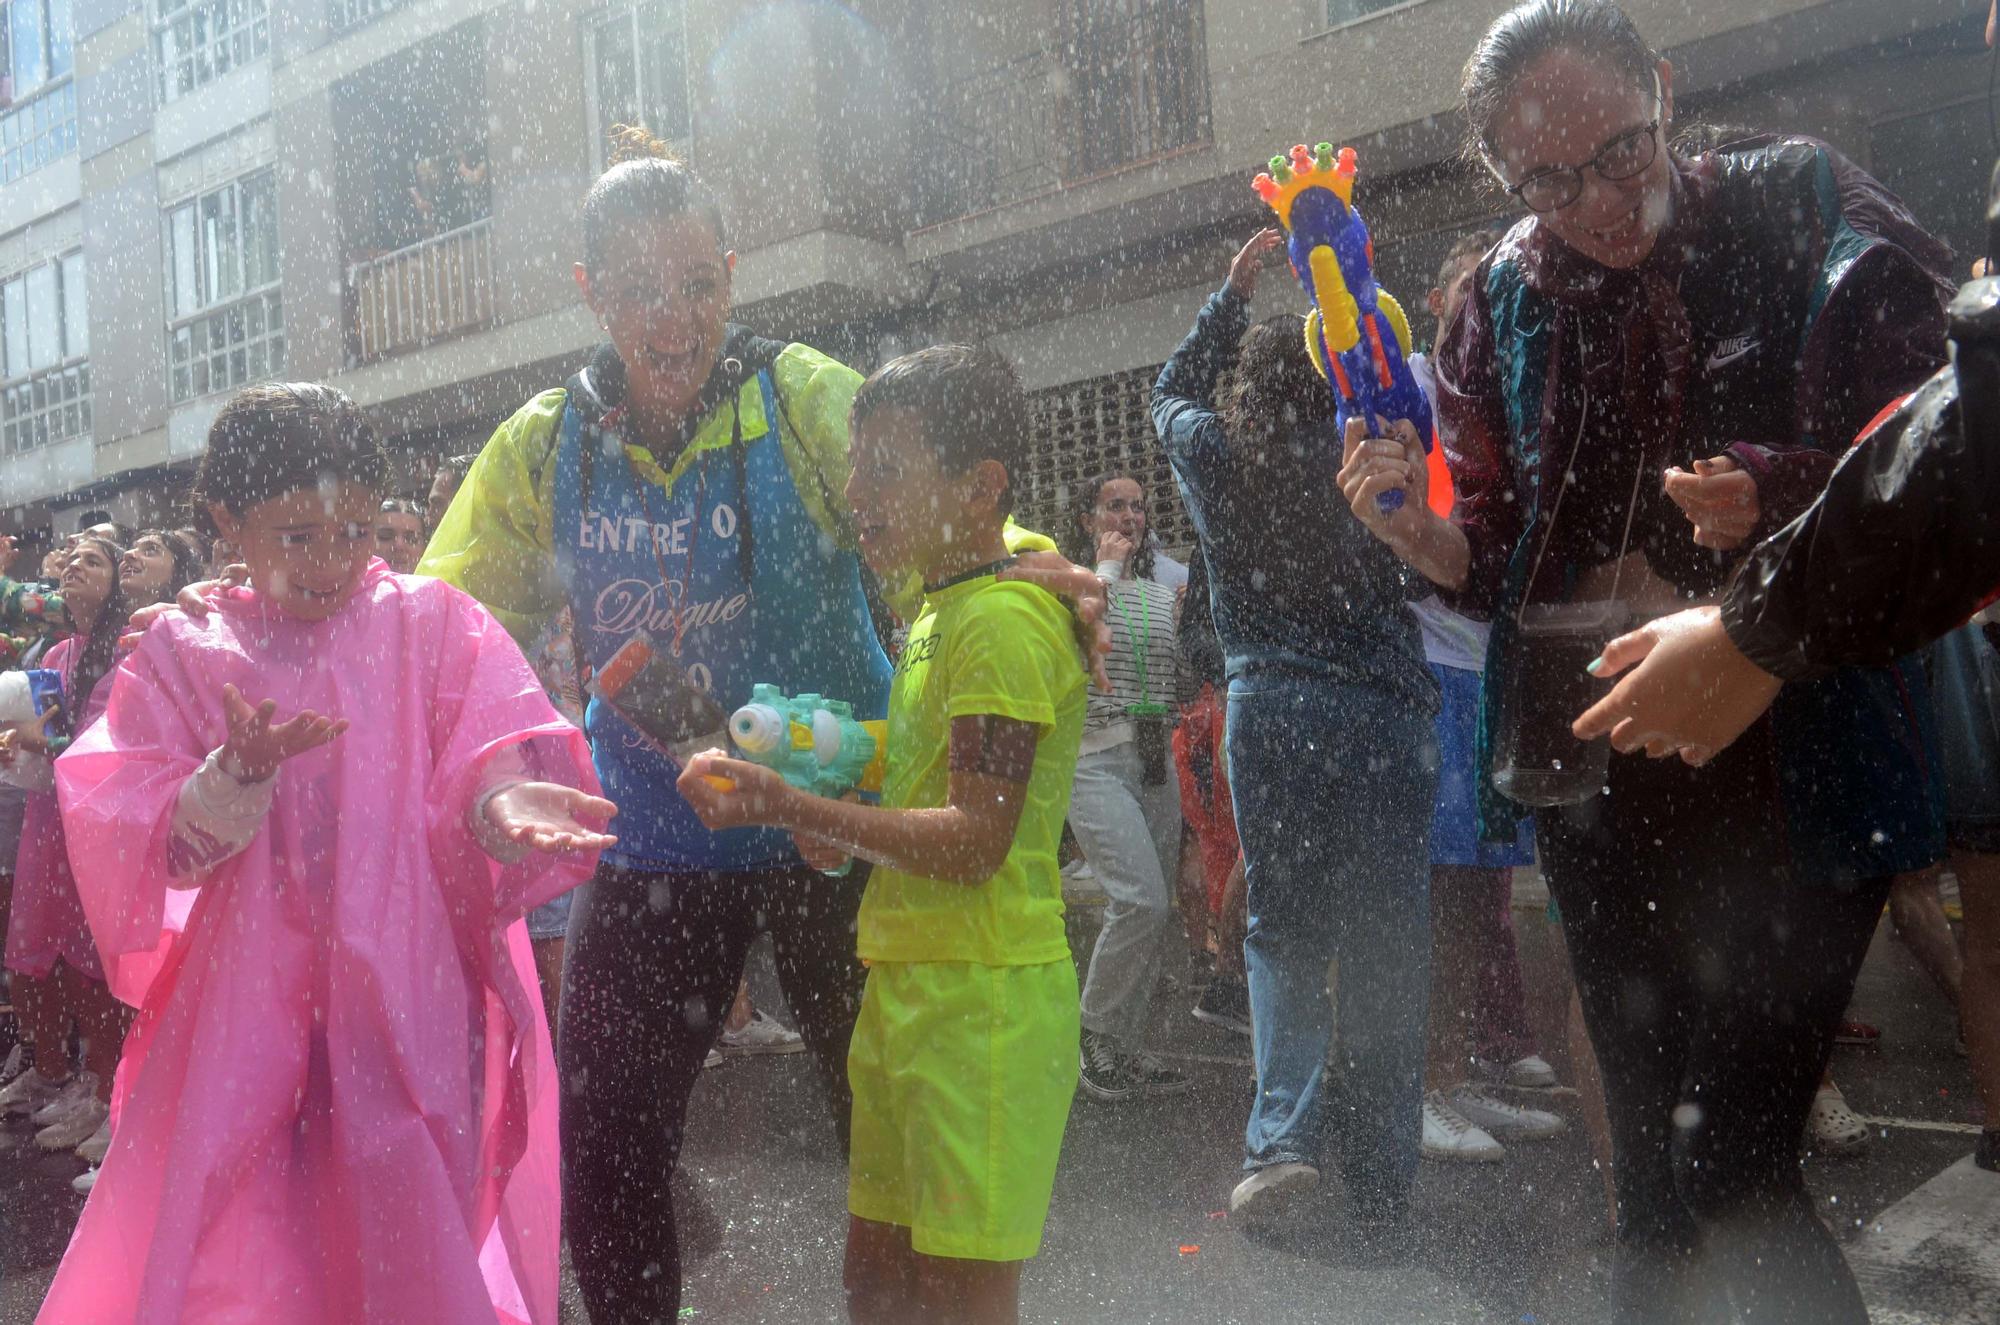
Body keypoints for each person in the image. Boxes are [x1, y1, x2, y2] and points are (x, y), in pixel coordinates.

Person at [417, 127, 1103, 1322]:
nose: (670, 317)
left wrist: (1038, 563)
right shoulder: (546, 443)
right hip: (656, 837)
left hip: (831, 834)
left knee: (880, 1140)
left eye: (695, 285)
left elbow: (951, 506)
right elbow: (439, 620)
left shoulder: (800, 397)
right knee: (609, 1135)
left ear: (733, 276)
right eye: (635, 290)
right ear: (590, 296)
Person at [1339, 2, 1952, 1317]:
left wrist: (1783, 488)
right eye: (1544, 180)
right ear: (1502, 176)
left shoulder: (1797, 198)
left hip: (1787, 742)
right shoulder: (1505, 289)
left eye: (1619, 153)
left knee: (1737, 1163)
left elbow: (1945, 436)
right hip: (1600, 757)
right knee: (1657, 1182)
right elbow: (1495, 548)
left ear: (1664, 93)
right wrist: (1420, 532)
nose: (1595, 205)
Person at [36, 382, 615, 1325]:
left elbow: (477, 757)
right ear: (228, 518)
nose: (335, 561)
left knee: (400, 1209)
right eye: (297, 534)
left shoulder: (429, 622)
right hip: (242, 1006)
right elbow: (148, 838)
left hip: (400, 995)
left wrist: (500, 803)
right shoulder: (187, 647)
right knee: (240, 1227)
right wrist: (230, 778)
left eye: (355, 530)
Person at [677, 343, 1087, 1324]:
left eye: (886, 469)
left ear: (978, 483)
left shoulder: (998, 623)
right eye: (854, 464)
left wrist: (793, 809)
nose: (854, 491)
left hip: (982, 1006)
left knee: (957, 1299)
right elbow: (918, 775)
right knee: (876, 1279)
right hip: (907, 984)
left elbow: (975, 837)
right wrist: (834, 786)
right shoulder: (938, 610)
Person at [1157, 226, 1441, 1225]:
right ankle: (1381, 1165)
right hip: (1382, 705)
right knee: (1384, 933)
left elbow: (1165, 394)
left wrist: (1223, 303)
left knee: (1282, 925)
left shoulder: (1211, 450)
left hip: (1270, 705)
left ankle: (1280, 1140)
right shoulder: (1364, 444)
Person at [1405, 231, 1565, 1163]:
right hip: (1435, 667)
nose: (1489, 310)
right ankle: (1416, 1089)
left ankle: (1453, 1076)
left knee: (1479, 898)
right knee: (1440, 889)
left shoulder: (1517, 392)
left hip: (1501, 664)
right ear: (1438, 304)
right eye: (1471, 292)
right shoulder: (1416, 387)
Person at [0, 537, 132, 1186]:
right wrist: (19, 749)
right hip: (47, 822)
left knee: (92, 964)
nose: (76, 565)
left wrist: (43, 743)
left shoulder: (126, 654)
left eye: (96, 560)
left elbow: (106, 749)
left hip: (96, 827)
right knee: (36, 951)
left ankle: (108, 1091)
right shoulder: (55, 652)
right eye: (71, 558)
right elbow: (48, 739)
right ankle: (79, 1080)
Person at [1062, 473, 1188, 1102]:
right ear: (1088, 520)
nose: (1130, 516)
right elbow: (1078, 645)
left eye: (1138, 507)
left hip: (1155, 760)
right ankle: (1093, 1034)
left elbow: (1182, 670)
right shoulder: (1073, 583)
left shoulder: (1165, 590)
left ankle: (1127, 1049)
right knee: (1140, 899)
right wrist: (1105, 567)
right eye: (1115, 505)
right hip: (1093, 761)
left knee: (1158, 907)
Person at [117, 529, 202, 607]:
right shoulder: (109, 621)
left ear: (178, 571)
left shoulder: (184, 622)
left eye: (150, 550)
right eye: (131, 548)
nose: (127, 554)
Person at [372, 497, 428, 575]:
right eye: (385, 536)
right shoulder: (350, 586)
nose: (399, 546)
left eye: (412, 539)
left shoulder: (442, 585)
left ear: (425, 548)